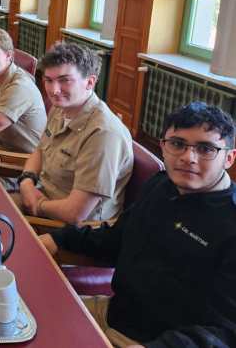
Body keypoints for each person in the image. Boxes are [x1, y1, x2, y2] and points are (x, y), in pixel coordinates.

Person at [39, 102, 236, 347]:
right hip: (109, 313)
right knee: (21, 311)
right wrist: (58, 239)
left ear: (229, 157)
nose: (188, 157)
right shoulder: (160, 185)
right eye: (177, 144)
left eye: (205, 148)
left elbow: (224, 332)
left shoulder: (230, 222)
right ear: (163, 146)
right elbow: (116, 238)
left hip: (151, 342)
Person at [14, 42, 133, 224]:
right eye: (48, 80)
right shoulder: (60, 108)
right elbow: (40, 150)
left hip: (68, 227)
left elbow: (75, 213)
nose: (54, 90)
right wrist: (27, 181)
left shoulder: (103, 134)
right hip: (40, 197)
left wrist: (38, 204)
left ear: (90, 82)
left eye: (64, 80)